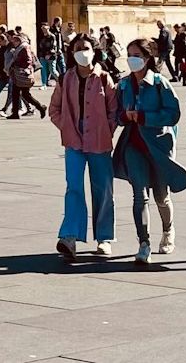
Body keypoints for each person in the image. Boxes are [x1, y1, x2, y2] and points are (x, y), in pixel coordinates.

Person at [114, 38, 186, 266]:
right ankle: (143, 243)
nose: (131, 60)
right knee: (139, 195)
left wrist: (146, 117)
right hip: (133, 145)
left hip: (157, 146)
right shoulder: (124, 85)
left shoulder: (160, 83)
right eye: (129, 55)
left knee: (161, 196)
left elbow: (173, 114)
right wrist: (124, 117)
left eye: (136, 55)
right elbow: (116, 114)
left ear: (147, 58)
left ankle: (168, 230)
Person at [49, 34, 118, 261]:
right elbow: (54, 109)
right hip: (74, 141)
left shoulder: (104, 78)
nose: (82, 52)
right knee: (74, 187)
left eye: (86, 47)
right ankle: (69, 236)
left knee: (103, 189)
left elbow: (113, 110)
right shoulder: (65, 79)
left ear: (94, 51)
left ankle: (104, 237)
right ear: (71, 52)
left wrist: (107, 129)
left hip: (99, 140)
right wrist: (65, 126)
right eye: (77, 48)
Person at [9, 29, 47, 120]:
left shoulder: (24, 47)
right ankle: (15, 113)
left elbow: (28, 60)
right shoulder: (20, 47)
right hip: (18, 73)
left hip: (22, 74)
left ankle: (40, 107)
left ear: (19, 40)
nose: (13, 43)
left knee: (24, 94)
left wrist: (18, 64)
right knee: (17, 93)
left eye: (15, 41)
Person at [37, 23, 57, 89]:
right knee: (43, 70)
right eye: (42, 28)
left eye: (45, 28)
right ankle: (44, 84)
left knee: (52, 70)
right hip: (42, 55)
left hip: (51, 55)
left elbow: (53, 46)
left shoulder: (52, 36)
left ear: (48, 28)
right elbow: (40, 46)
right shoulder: (41, 36)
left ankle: (61, 81)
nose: (44, 30)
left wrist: (49, 54)